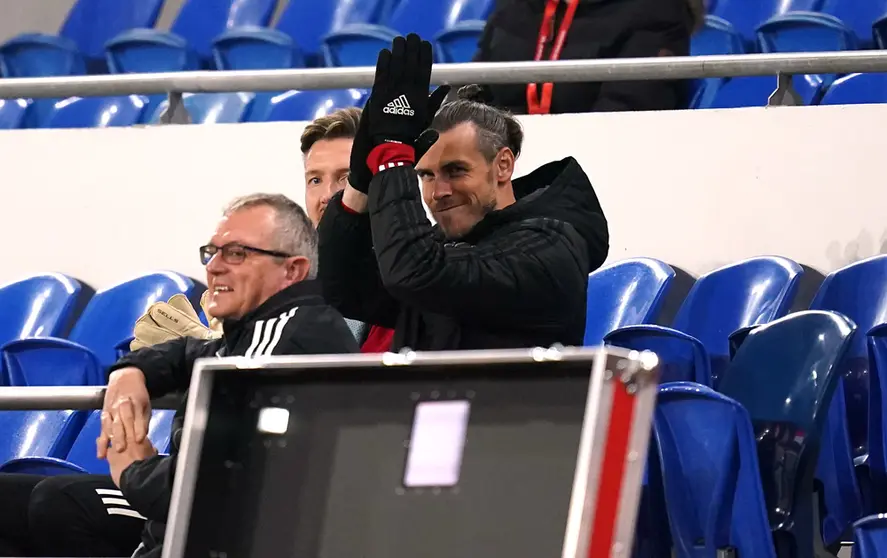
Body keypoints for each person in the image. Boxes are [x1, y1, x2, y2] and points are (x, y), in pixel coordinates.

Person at [0, 193, 358, 558]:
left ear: (292, 270)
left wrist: (135, 468)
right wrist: (130, 371)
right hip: (198, 523)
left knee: (56, 502)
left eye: (236, 253)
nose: (215, 267)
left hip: (226, 535)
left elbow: (216, 487)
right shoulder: (257, 330)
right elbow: (189, 353)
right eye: (212, 252)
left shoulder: (285, 336)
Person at [317, 34, 609, 351]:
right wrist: (361, 183)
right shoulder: (441, 250)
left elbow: (418, 272)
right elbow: (343, 290)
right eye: (425, 175)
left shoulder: (549, 249)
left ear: (503, 165)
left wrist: (393, 155)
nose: (439, 191)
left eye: (456, 171)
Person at [472, 0, 704, 114]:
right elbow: (467, 93)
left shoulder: (657, 10)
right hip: (500, 166)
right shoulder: (515, 7)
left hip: (595, 177)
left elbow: (623, 116)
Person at [300, 107, 396, 353]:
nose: (327, 196)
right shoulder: (288, 276)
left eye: (347, 178)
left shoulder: (409, 271)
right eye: (315, 180)